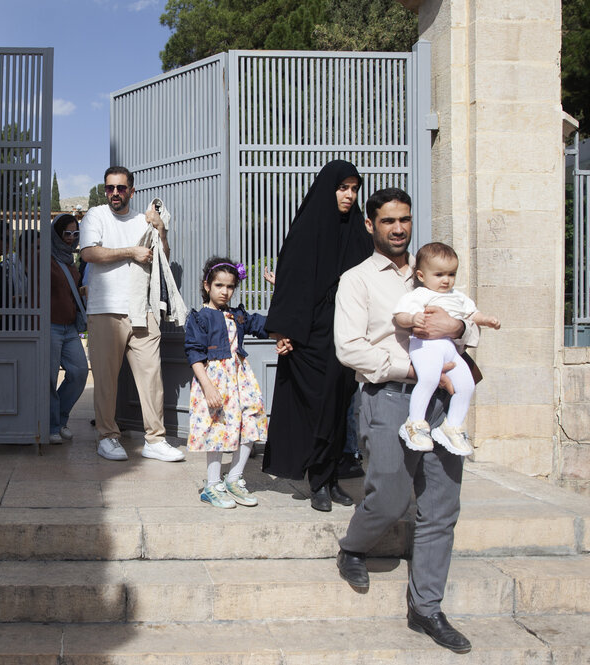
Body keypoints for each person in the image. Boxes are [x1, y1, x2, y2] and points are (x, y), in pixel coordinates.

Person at [333, 188, 479, 654]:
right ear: (370, 225)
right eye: (388, 220)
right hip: (389, 398)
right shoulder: (357, 280)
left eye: (405, 219)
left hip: (441, 403)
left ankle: (426, 608)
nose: (399, 229)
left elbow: (469, 320)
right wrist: (415, 371)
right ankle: (353, 546)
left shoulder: (435, 269)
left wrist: (457, 328)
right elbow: (349, 348)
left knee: (442, 506)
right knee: (391, 498)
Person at [261, 160, 374, 511]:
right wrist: (282, 331)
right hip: (309, 338)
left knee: (339, 406)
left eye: (354, 189)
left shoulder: (358, 233)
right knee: (316, 408)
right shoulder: (307, 230)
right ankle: (318, 480)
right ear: (329, 189)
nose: (349, 195)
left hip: (346, 334)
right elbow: (292, 281)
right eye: (343, 188)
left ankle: (332, 476)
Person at [80, 166, 185, 463]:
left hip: (143, 309)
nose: (115, 193)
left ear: (132, 191)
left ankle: (155, 440)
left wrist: (161, 230)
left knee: (152, 377)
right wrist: (131, 252)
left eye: (121, 188)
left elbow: (162, 257)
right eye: (110, 188)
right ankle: (107, 436)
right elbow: (89, 253)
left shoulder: (143, 220)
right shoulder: (96, 215)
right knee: (105, 380)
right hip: (105, 309)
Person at [184, 257, 291, 508]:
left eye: (230, 286)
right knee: (218, 428)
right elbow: (194, 354)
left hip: (241, 378)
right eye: (219, 285)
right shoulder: (199, 318)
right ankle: (212, 486)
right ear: (207, 285)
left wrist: (280, 292)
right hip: (215, 380)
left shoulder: (238, 315)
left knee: (251, 419)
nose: (225, 291)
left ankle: (234, 478)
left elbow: (267, 325)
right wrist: (207, 386)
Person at [394, 242, 500, 456]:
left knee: (467, 384)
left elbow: (472, 314)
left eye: (451, 274)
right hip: (424, 346)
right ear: (422, 276)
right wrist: (413, 319)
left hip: (450, 348)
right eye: (439, 274)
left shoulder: (457, 296)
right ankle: (414, 423)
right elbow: (400, 315)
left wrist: (486, 320)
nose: (446, 280)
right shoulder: (420, 294)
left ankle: (452, 426)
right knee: (429, 379)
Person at [48, 213, 89, 444]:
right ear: (56, 234)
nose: (71, 238)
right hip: (50, 326)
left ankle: (59, 419)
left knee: (80, 372)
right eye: (67, 233)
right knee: (49, 378)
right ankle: (52, 425)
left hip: (70, 328)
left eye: (75, 233)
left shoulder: (71, 262)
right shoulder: (44, 258)